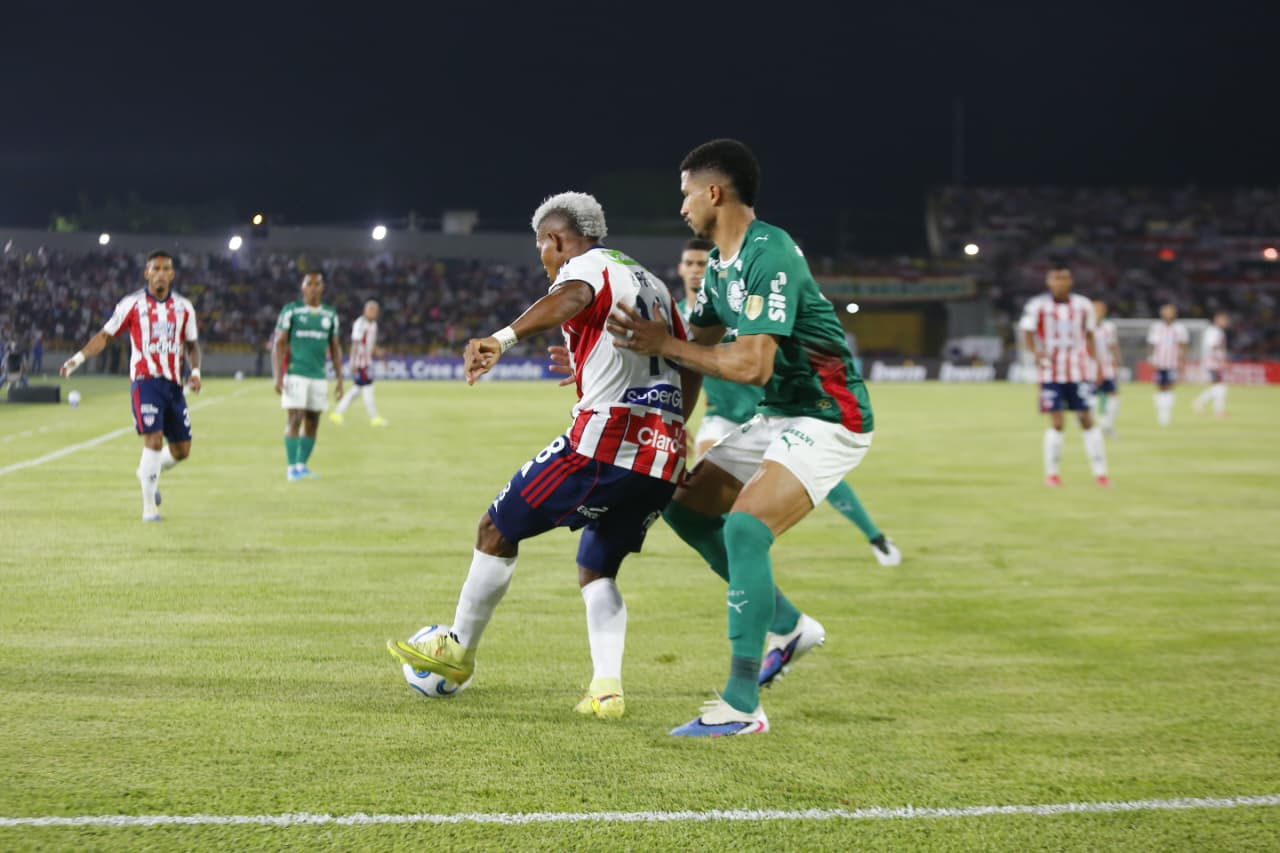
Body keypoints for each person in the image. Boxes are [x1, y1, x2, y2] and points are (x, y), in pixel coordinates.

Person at [387, 191, 695, 720]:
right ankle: (606, 688)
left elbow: (573, 295)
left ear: (555, 240)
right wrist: (666, 426)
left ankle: (458, 648)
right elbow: (684, 363)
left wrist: (501, 339)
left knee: (495, 528)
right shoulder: (653, 282)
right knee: (597, 567)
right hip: (661, 457)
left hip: (603, 444)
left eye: (542, 249)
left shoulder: (585, 268)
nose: (545, 261)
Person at [608, 139, 876, 737]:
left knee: (745, 528)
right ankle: (789, 625)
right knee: (687, 511)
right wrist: (673, 428)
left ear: (713, 192)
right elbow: (695, 353)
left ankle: (741, 702)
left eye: (684, 194)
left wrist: (665, 343)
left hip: (829, 415)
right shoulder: (720, 269)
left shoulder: (769, 252)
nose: (680, 207)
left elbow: (751, 364)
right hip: (780, 412)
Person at [676, 240, 901, 566]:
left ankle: (875, 537)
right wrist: (674, 419)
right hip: (722, 414)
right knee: (705, 474)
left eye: (702, 263)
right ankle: (737, 551)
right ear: (681, 269)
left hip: (764, 410)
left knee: (825, 481)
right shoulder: (682, 315)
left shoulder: (734, 305)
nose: (697, 270)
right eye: (691, 264)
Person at [59, 250, 201, 521]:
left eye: (165, 269)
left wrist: (195, 371)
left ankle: (147, 472)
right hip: (145, 382)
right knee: (154, 440)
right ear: (147, 273)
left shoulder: (184, 307)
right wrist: (77, 360)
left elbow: (192, 345)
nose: (160, 273)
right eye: (155, 268)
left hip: (174, 385)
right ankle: (149, 509)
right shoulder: (132, 304)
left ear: (172, 274)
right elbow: (105, 336)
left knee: (182, 451)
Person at [1019, 263, 1109, 487]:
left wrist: (1097, 364)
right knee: (1057, 422)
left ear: (1070, 281)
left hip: (1079, 370)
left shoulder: (1082, 305)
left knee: (1086, 418)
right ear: (1049, 282)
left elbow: (1090, 336)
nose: (1060, 283)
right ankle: (1052, 474)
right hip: (1051, 372)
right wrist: (1036, 354)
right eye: (1055, 279)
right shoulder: (1038, 306)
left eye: (1064, 279)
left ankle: (1100, 473)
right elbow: (1026, 333)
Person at [273, 272, 343, 481]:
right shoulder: (292, 311)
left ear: (322, 288)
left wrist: (339, 378)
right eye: (309, 284)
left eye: (317, 284)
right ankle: (291, 467)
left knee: (313, 422)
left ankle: (302, 465)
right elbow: (279, 343)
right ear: (303, 287)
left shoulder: (330, 314)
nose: (313, 287)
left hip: (319, 376)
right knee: (295, 418)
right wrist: (278, 376)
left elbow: (335, 347)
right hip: (296, 374)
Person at [330, 299, 388, 427]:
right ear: (365, 311)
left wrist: (382, 358)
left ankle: (337, 414)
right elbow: (355, 344)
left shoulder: (374, 325)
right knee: (368, 388)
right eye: (371, 310)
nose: (373, 313)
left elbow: (371, 345)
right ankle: (374, 418)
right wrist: (353, 362)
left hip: (367, 362)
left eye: (375, 311)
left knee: (356, 390)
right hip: (360, 363)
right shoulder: (360, 324)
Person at [1146, 303, 1189, 426]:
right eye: (1166, 311)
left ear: (1175, 314)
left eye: (1170, 312)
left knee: (1170, 387)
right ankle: (1161, 414)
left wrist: (1182, 361)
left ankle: (1167, 415)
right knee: (1160, 387)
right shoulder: (1156, 327)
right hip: (1159, 363)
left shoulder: (1180, 328)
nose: (1168, 314)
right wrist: (1150, 359)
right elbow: (1152, 345)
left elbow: (1183, 346)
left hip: (1173, 363)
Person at [1090, 300, 1123, 437]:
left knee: (1113, 395)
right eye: (1096, 309)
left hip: (1107, 366)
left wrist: (1118, 361)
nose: (1098, 312)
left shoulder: (1109, 327)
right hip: (1090, 367)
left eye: (1101, 309)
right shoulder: (1085, 327)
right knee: (1091, 396)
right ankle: (1092, 427)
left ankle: (1107, 425)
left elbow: (1113, 345)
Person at [1192, 312, 1230, 418]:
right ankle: (1216, 410)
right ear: (1217, 320)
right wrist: (1220, 360)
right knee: (1220, 386)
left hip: (1214, 362)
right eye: (1224, 320)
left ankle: (1204, 404)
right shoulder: (1214, 332)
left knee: (1219, 386)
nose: (1226, 322)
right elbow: (1213, 346)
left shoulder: (1215, 331)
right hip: (1214, 363)